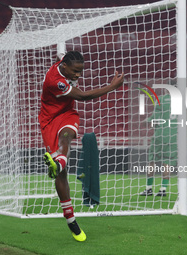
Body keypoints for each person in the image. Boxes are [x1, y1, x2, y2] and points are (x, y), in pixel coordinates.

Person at [38, 51, 124, 241]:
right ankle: (70, 219)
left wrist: (58, 56)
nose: (78, 75)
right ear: (65, 67)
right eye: (75, 71)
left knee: (67, 135)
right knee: (62, 174)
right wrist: (112, 86)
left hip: (66, 113)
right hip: (49, 119)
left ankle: (59, 161)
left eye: (81, 71)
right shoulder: (56, 82)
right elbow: (83, 96)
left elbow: (60, 57)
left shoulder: (63, 63)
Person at [139, 94, 177, 197]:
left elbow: (155, 118)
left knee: (152, 161)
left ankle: (149, 189)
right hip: (174, 136)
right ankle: (163, 189)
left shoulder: (161, 99)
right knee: (167, 162)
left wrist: (145, 122)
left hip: (160, 134)